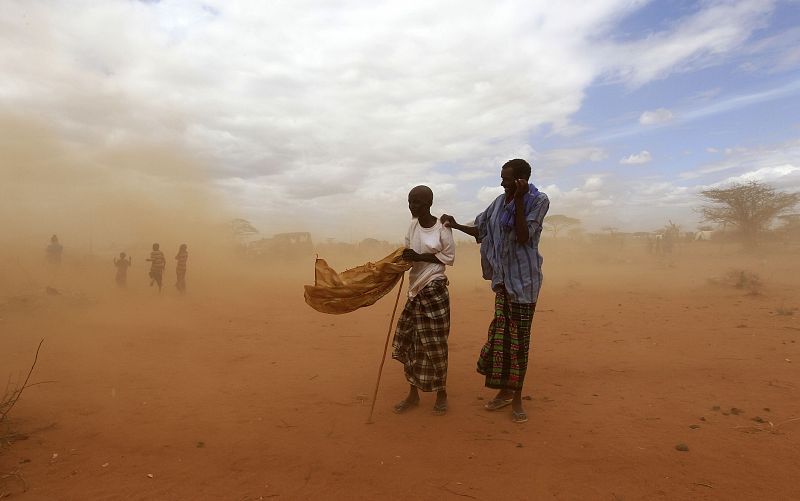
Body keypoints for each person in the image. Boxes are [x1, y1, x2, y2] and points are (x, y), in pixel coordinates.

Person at [441, 159, 549, 423]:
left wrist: (520, 200)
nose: (502, 183)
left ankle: (517, 398)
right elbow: (481, 229)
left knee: (519, 344)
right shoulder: (498, 203)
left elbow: (524, 236)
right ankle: (503, 391)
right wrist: (455, 225)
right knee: (502, 341)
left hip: (524, 285)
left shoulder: (538, 200)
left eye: (507, 179)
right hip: (503, 283)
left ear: (522, 180)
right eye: (502, 178)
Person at [391, 185, 456, 416]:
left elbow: (448, 258)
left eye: (416, 202)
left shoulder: (443, 228)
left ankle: (441, 394)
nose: (412, 206)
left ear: (428, 203)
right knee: (412, 343)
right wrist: (401, 262)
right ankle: (413, 394)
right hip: (414, 291)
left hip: (435, 291)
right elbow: (409, 252)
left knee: (435, 345)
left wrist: (419, 257)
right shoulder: (412, 225)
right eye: (410, 201)